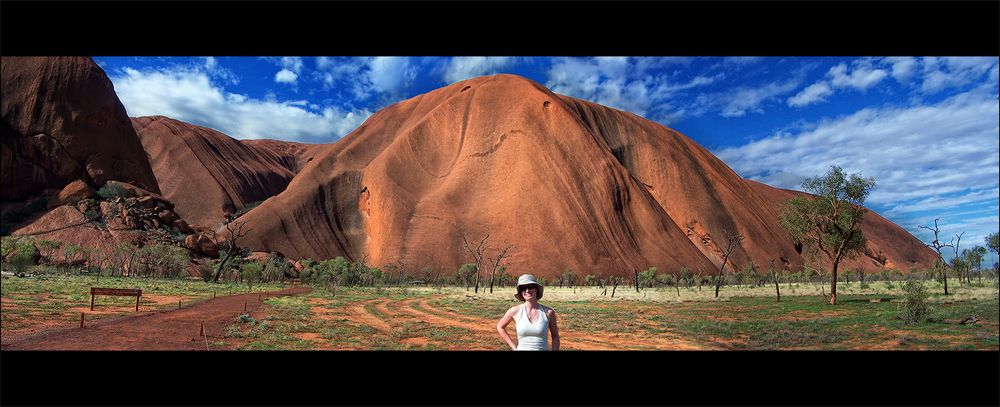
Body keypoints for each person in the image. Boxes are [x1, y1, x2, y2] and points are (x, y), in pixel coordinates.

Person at [497, 274, 560, 350]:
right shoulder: (515, 311)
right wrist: (513, 347)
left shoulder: (548, 312)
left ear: (536, 289)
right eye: (523, 288)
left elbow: (555, 337)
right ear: (521, 292)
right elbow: (500, 327)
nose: (527, 290)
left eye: (530, 287)